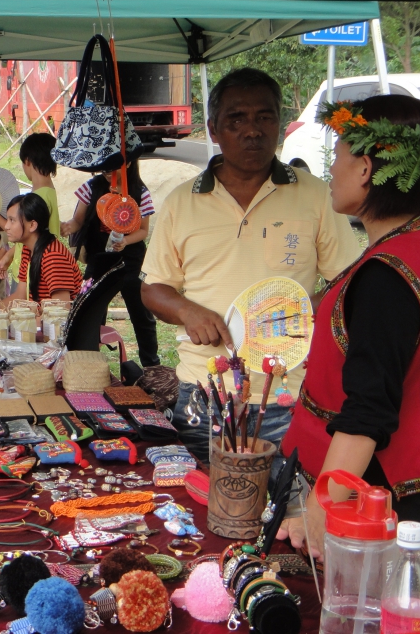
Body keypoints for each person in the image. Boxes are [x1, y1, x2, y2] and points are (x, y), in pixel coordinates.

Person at [140, 68, 361, 464]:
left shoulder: (316, 196)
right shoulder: (181, 202)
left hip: (287, 395)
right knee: (201, 498)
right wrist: (187, 311)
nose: (252, 130)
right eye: (236, 119)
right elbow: (153, 288)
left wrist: (306, 306)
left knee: (286, 502)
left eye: (264, 117)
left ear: (279, 123)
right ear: (213, 128)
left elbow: (350, 281)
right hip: (204, 393)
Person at [277, 95, 420, 559]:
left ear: (365, 169)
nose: (330, 170)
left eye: (337, 155)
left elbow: (369, 410)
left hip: (376, 486)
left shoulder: (387, 276)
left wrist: (321, 511)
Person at [62, 157, 160, 367]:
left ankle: (151, 366)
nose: (107, 172)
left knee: (141, 313)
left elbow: (143, 230)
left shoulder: (140, 192)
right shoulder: (91, 187)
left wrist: (125, 241)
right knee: (89, 311)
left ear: (128, 163)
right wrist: (68, 227)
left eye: (113, 168)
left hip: (131, 260)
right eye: (104, 168)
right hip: (99, 258)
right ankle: (88, 363)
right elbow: (78, 220)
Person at [0, 133, 61, 286]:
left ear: (27, 161)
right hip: (26, 267)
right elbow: (29, 235)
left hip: (29, 273)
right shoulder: (48, 191)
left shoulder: (39, 197)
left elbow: (19, 230)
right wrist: (8, 256)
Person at [0, 193, 82, 304]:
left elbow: (62, 309)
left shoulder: (54, 257)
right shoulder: (27, 249)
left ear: (32, 225)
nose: (6, 226)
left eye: (12, 220)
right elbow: (20, 296)